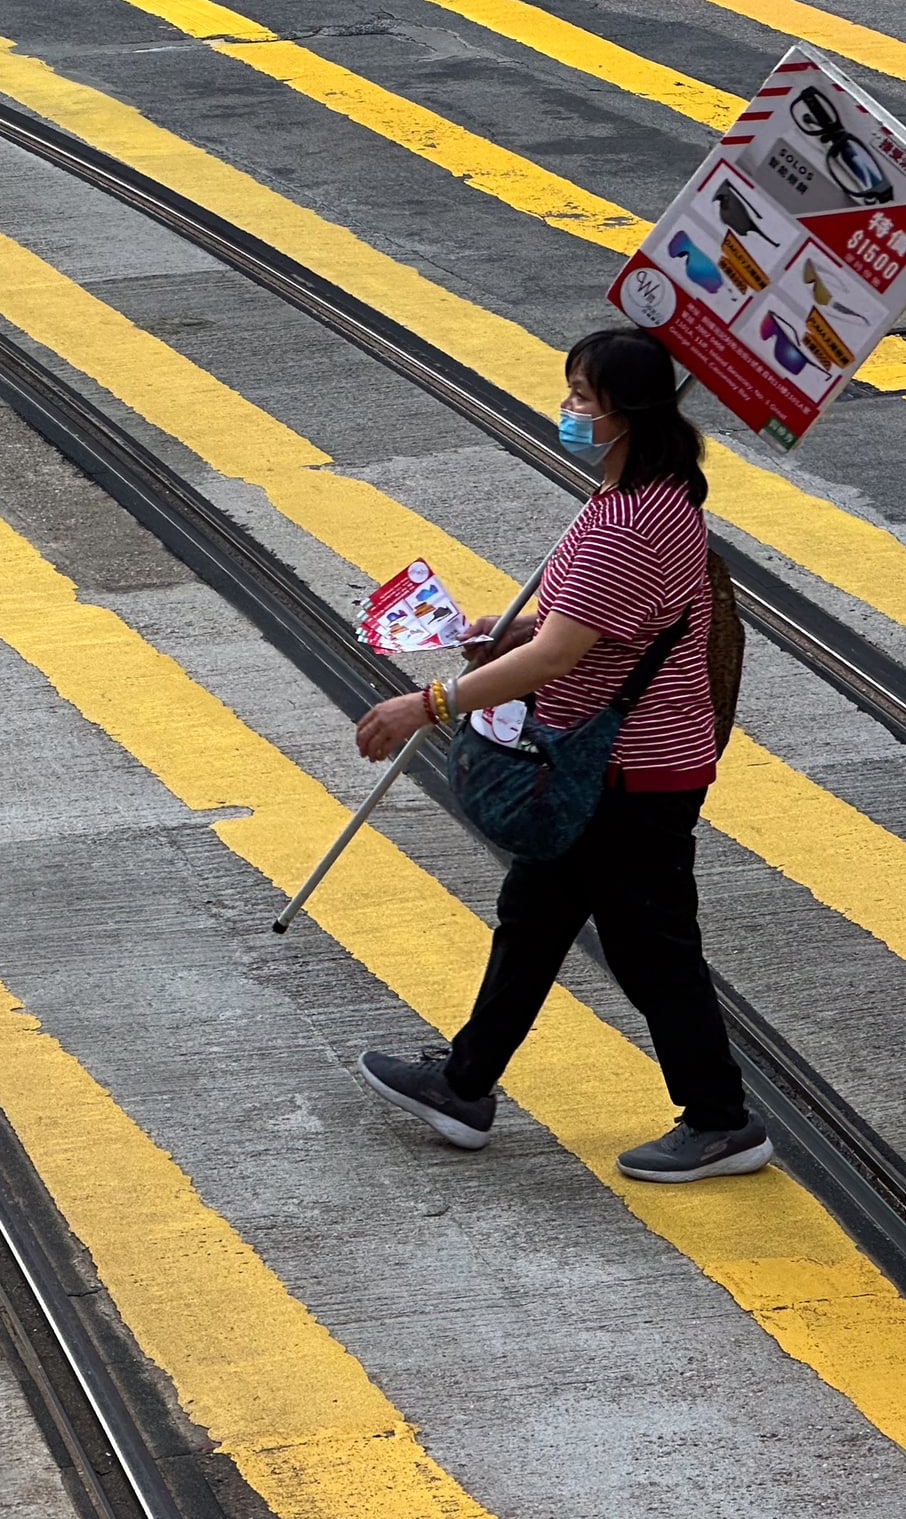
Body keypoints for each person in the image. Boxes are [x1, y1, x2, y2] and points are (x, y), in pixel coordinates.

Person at [352, 328, 769, 1183]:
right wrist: (509, 634)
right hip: (616, 764)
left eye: (584, 396)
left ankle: (721, 1119)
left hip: (628, 771)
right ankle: (464, 1085)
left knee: (650, 945)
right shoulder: (654, 497)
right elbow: (578, 630)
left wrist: (424, 705)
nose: (569, 410)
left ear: (627, 414)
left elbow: (558, 657)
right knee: (536, 918)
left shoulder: (626, 521)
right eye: (571, 390)